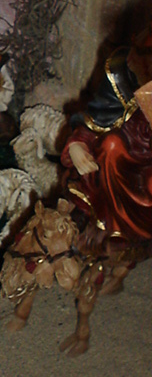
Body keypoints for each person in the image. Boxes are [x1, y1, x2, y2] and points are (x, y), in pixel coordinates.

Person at [61, 29, 152, 245]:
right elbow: (97, 119)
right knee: (111, 146)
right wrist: (77, 145)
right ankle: (112, 226)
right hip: (127, 158)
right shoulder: (122, 75)